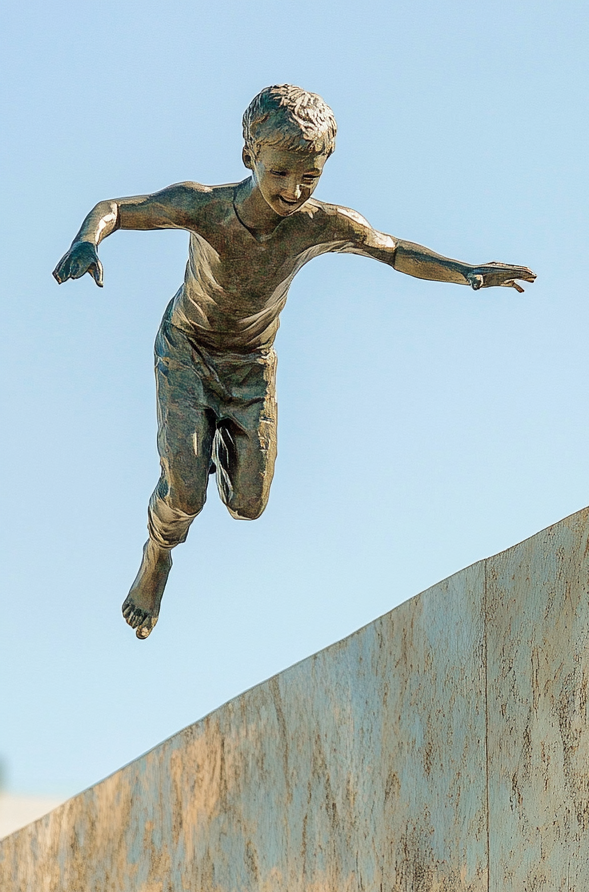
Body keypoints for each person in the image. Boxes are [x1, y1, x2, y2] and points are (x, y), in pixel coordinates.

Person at [53, 84, 535, 638]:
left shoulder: (320, 224)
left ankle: (207, 444)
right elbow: (115, 208)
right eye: (280, 173)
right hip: (189, 350)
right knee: (186, 493)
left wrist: (466, 271)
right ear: (249, 157)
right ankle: (157, 553)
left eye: (310, 178)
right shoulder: (205, 207)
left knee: (249, 505)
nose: (293, 191)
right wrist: (89, 240)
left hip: (251, 365)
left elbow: (392, 250)